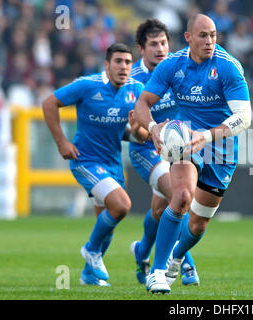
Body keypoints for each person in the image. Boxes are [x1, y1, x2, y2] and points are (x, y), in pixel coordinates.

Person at [133, 14, 251, 294]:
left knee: (198, 225)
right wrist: (153, 128)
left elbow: (244, 117)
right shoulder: (172, 65)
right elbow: (142, 103)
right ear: (188, 38)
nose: (209, 41)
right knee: (182, 196)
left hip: (220, 147)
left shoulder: (228, 67)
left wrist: (207, 135)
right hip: (185, 140)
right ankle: (158, 273)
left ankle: (176, 256)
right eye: (202, 35)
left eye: (213, 35)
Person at [42, 43, 145, 286]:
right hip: (85, 160)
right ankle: (90, 250)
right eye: (118, 61)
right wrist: (61, 142)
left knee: (108, 223)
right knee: (121, 205)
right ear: (106, 64)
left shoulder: (137, 90)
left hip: (112, 164)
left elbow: (136, 136)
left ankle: (89, 274)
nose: (123, 67)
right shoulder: (87, 85)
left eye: (128, 62)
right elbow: (49, 103)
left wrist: (139, 129)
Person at [128, 18, 199, 286]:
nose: (160, 48)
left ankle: (141, 251)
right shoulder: (133, 80)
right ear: (141, 49)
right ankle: (183, 262)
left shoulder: (178, 69)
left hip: (177, 148)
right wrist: (149, 130)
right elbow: (135, 132)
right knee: (179, 196)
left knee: (160, 212)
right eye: (154, 44)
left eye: (164, 43)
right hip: (146, 149)